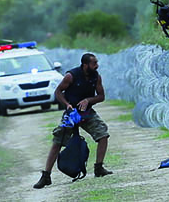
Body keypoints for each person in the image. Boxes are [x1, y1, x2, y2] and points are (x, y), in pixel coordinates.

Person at [33, 53, 112, 189]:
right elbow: (58, 92)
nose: (97, 66)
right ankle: (46, 176)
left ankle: (99, 168)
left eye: (96, 63)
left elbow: (101, 96)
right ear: (85, 64)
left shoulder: (96, 77)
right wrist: (67, 104)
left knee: (103, 134)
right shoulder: (71, 76)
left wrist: (88, 100)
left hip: (87, 113)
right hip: (71, 114)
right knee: (58, 141)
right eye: (94, 63)